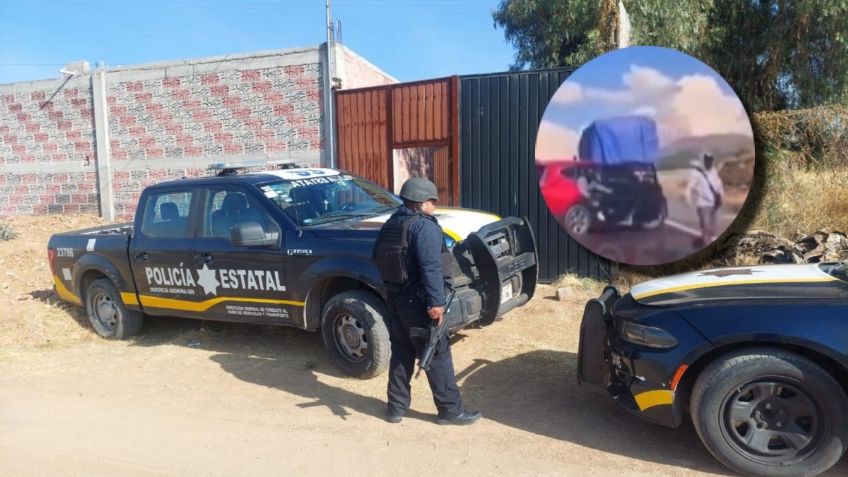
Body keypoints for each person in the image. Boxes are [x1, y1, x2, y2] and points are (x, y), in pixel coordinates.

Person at [372, 177, 481, 426]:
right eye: (432, 201)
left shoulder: (392, 223)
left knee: (401, 352)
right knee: (438, 353)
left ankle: (395, 409)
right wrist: (436, 303)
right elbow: (431, 267)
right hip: (420, 302)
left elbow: (376, 257)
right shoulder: (425, 227)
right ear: (421, 202)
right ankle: (450, 411)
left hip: (396, 298)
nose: (434, 205)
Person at [685, 152, 724, 246]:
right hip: (703, 205)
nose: (709, 162)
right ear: (703, 161)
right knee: (705, 227)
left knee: (714, 228)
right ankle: (707, 244)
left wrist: (722, 197)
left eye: (710, 160)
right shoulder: (697, 173)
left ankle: (706, 239)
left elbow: (719, 185)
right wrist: (689, 200)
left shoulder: (714, 172)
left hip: (715, 204)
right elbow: (689, 188)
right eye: (706, 160)